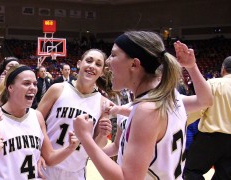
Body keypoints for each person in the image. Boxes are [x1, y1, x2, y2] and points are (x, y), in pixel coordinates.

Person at [73, 31, 213, 180]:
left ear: (134, 64)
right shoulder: (168, 97)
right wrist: (191, 66)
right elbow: (205, 101)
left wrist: (86, 138)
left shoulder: (147, 110)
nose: (107, 62)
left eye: (113, 55)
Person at [0, 65, 80, 179]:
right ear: (10, 87)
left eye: (35, 84)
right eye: (26, 83)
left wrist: (70, 148)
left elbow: (50, 158)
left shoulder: (37, 116)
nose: (33, 88)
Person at [36, 49, 112, 179]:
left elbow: (96, 145)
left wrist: (103, 135)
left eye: (98, 64)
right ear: (78, 64)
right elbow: (35, 122)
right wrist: (36, 153)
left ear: (102, 72)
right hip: (46, 166)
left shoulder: (103, 103)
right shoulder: (58, 89)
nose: (92, 66)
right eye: (89, 61)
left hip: (76, 171)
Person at [183, 56, 231, 180]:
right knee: (225, 175)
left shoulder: (213, 83)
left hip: (210, 138)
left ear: (223, 69)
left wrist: (183, 123)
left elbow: (199, 109)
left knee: (190, 170)